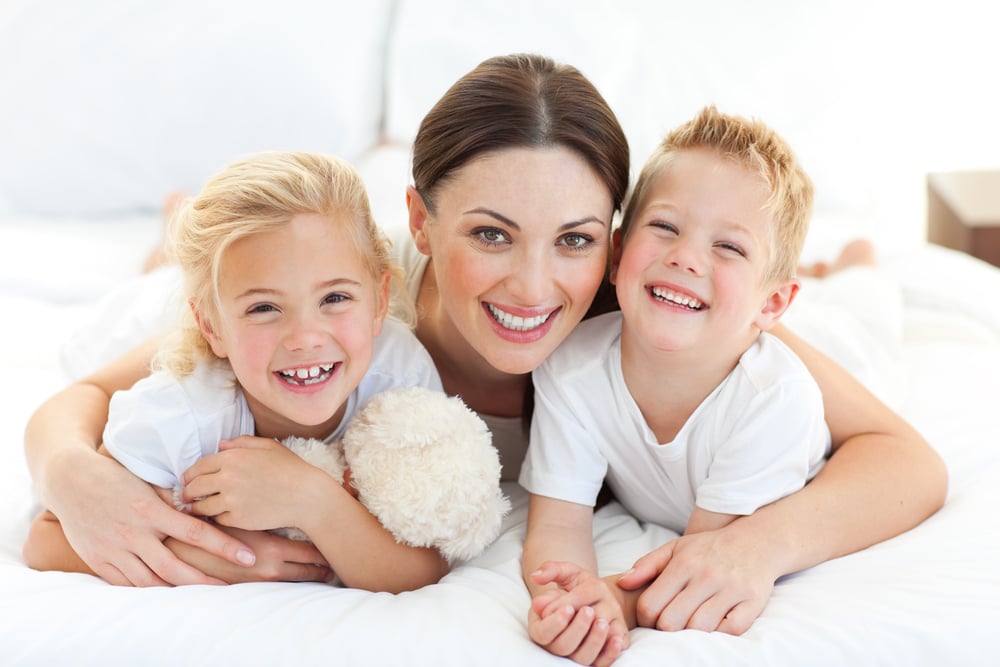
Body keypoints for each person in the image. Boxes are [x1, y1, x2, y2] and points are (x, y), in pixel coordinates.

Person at [22, 52, 944, 637]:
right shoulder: (340, 312)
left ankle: (839, 268)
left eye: (576, 239)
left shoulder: (634, 317)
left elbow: (904, 458)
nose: (534, 288)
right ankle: (173, 225)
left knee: (855, 312)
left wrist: (759, 545)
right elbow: (88, 396)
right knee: (154, 286)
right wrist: (70, 469)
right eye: (491, 235)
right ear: (419, 223)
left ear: (618, 244)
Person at [23, 151, 450, 592]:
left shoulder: (399, 379)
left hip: (216, 314)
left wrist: (314, 501)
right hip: (147, 325)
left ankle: (181, 237)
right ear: (211, 327)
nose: (305, 337)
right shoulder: (176, 414)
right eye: (264, 307)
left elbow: (425, 567)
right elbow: (46, 538)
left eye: (334, 298)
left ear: (380, 301)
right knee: (159, 284)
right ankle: (169, 236)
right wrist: (204, 556)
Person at [520, 106, 831, 665]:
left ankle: (854, 265)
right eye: (664, 227)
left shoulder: (775, 401)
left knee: (867, 321)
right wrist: (567, 601)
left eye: (729, 247)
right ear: (616, 255)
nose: (685, 257)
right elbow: (559, 523)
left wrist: (616, 596)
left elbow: (704, 558)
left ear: (773, 302)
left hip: (832, 352)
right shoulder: (570, 367)